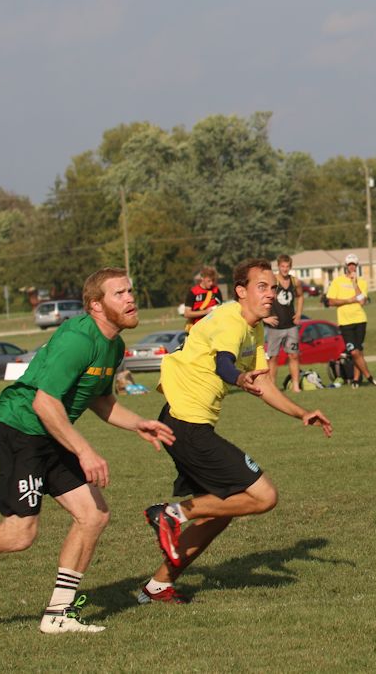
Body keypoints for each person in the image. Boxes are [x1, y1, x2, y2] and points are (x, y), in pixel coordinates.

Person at [0, 268, 174, 633]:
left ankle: (58, 614)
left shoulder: (113, 345)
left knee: (93, 515)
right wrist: (85, 451)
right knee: (19, 535)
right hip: (24, 432)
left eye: (130, 291)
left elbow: (99, 399)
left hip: (53, 434)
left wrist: (138, 422)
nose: (130, 299)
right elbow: (44, 403)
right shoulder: (78, 340)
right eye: (119, 294)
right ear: (96, 305)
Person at [140, 259, 332, 605]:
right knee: (264, 496)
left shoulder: (252, 327)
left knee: (220, 512)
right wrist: (238, 377)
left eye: (273, 288)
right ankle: (170, 514)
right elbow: (224, 363)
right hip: (185, 424)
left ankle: (158, 586)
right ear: (241, 291)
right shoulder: (231, 320)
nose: (270, 294)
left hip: (184, 422)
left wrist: (302, 412)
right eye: (262, 287)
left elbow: (263, 383)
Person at [325, 253, 376, 387]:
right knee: (353, 351)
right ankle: (370, 377)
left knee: (359, 351)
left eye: (354, 265)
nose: (352, 267)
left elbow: (362, 301)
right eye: (350, 265)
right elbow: (331, 301)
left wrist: (354, 283)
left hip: (360, 320)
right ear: (346, 266)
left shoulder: (361, 282)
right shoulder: (337, 281)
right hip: (345, 322)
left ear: (357, 266)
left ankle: (356, 380)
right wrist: (348, 300)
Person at [263, 254, 304, 392]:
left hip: (291, 326)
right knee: (273, 357)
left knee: (294, 355)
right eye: (282, 266)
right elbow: (261, 298)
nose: (285, 269)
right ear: (278, 266)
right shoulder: (272, 281)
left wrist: (299, 313)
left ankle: (296, 386)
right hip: (275, 326)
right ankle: (273, 388)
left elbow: (300, 296)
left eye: (287, 266)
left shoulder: (294, 281)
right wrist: (265, 318)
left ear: (290, 267)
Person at [184, 266, 222, 330]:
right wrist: (206, 312)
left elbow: (220, 307)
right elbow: (187, 314)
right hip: (197, 328)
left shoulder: (216, 290)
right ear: (202, 278)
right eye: (209, 281)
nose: (211, 283)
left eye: (213, 280)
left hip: (213, 327)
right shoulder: (193, 292)